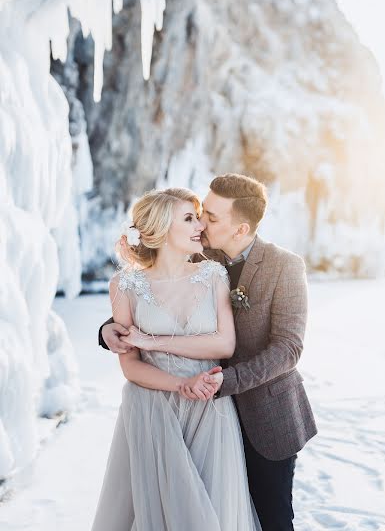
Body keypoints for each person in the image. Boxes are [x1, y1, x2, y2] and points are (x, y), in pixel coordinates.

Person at [99, 174, 318, 531]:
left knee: (272, 517)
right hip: (195, 406)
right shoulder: (201, 255)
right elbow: (152, 295)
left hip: (263, 411)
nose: (202, 222)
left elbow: (288, 348)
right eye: (199, 214)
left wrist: (222, 382)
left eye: (211, 218)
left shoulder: (284, 266)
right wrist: (108, 329)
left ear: (240, 228)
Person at [91, 187, 261, 531]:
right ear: (160, 227)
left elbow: (224, 345)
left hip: (207, 407)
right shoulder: (125, 284)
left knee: (210, 515)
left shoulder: (214, 274)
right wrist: (181, 383)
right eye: (188, 218)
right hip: (151, 409)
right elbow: (131, 365)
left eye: (197, 216)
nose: (200, 224)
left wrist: (154, 341)